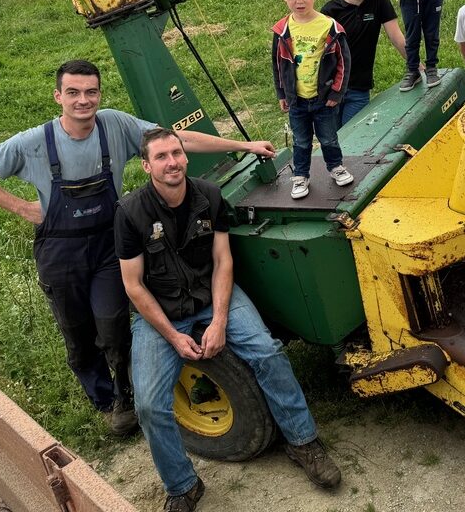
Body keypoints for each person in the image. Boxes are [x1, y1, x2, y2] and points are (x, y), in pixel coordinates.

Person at [0, 60, 275, 435]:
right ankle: (102, 399)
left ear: (99, 94)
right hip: (61, 251)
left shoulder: (116, 125)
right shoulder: (33, 142)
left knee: (113, 326)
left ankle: (125, 395)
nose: (83, 100)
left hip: (110, 244)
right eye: (72, 93)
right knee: (76, 333)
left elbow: (176, 141)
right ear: (58, 96)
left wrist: (242, 144)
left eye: (90, 92)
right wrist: (23, 207)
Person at [117, 128, 341, 512]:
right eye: (161, 157)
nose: (172, 162)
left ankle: (303, 442)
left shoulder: (209, 196)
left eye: (177, 153)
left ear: (185, 156)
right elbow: (134, 287)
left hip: (211, 296)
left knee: (267, 352)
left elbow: (222, 261)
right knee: (150, 405)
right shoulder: (131, 213)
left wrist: (219, 320)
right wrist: (172, 337)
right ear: (146, 165)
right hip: (161, 311)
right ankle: (182, 486)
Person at [271, 0, 354, 201]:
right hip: (297, 100)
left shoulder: (330, 27)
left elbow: (343, 62)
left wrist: (336, 93)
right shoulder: (282, 30)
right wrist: (281, 94)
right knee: (301, 141)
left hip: (323, 98)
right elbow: (277, 65)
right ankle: (300, 176)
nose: (299, 1)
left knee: (328, 137)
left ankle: (336, 167)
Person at [321, 0, 407, 125]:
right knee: (332, 141)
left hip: (359, 89)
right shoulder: (330, 11)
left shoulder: (378, 0)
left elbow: (396, 36)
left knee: (352, 139)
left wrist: (416, 65)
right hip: (331, 89)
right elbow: (319, 53)